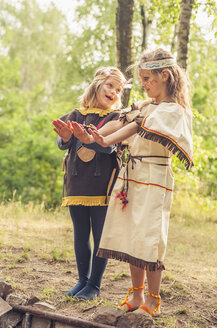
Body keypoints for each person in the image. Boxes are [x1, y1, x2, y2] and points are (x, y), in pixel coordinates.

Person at [70, 48, 193, 315]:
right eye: (142, 79)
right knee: (131, 235)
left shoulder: (172, 110)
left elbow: (136, 125)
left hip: (155, 177)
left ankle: (153, 298)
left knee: (149, 237)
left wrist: (102, 140)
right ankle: (136, 295)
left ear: (165, 75)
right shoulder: (145, 106)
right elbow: (122, 121)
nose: (144, 84)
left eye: (148, 78)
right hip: (131, 175)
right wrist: (94, 137)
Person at [52, 67, 129, 300]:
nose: (114, 92)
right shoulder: (76, 114)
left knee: (100, 235)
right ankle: (82, 281)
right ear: (97, 85)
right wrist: (65, 137)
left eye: (118, 90)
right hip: (76, 182)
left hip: (101, 184)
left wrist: (90, 140)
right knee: (80, 233)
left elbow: (109, 146)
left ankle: (94, 285)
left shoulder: (116, 118)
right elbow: (62, 143)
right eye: (110, 86)